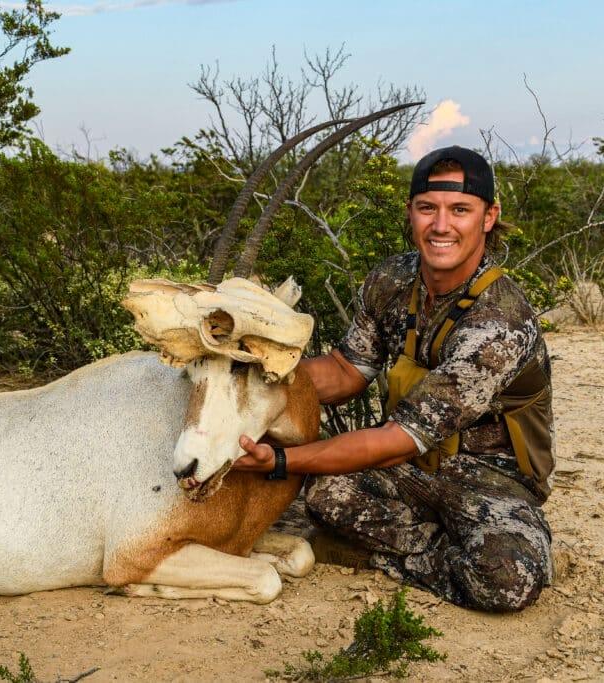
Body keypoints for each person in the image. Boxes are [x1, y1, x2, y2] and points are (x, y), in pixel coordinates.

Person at [232, 146, 555, 612]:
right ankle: (432, 543)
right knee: (325, 493)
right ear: (411, 213)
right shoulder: (390, 280)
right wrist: (257, 369)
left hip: (489, 480)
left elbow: (399, 438)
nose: (441, 226)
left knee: (505, 579)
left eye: (460, 210)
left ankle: (390, 553)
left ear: (489, 217)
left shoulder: (499, 323)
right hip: (409, 472)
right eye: (428, 208)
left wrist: (281, 461)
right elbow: (345, 372)